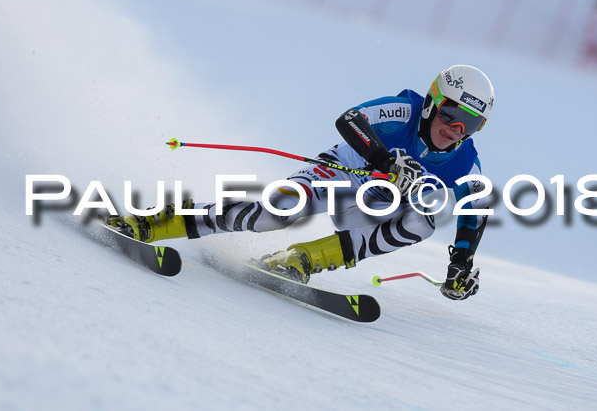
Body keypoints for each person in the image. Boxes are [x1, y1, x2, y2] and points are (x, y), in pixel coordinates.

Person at [108, 65, 494, 301]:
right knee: (277, 213)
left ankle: (301, 260)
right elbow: (349, 120)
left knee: (423, 221)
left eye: (470, 125)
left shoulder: (464, 160)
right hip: (343, 173)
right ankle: (155, 222)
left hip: (372, 208)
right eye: (450, 115)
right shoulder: (405, 111)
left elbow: (475, 209)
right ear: (432, 102)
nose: (455, 130)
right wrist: (383, 158)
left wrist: (461, 262)